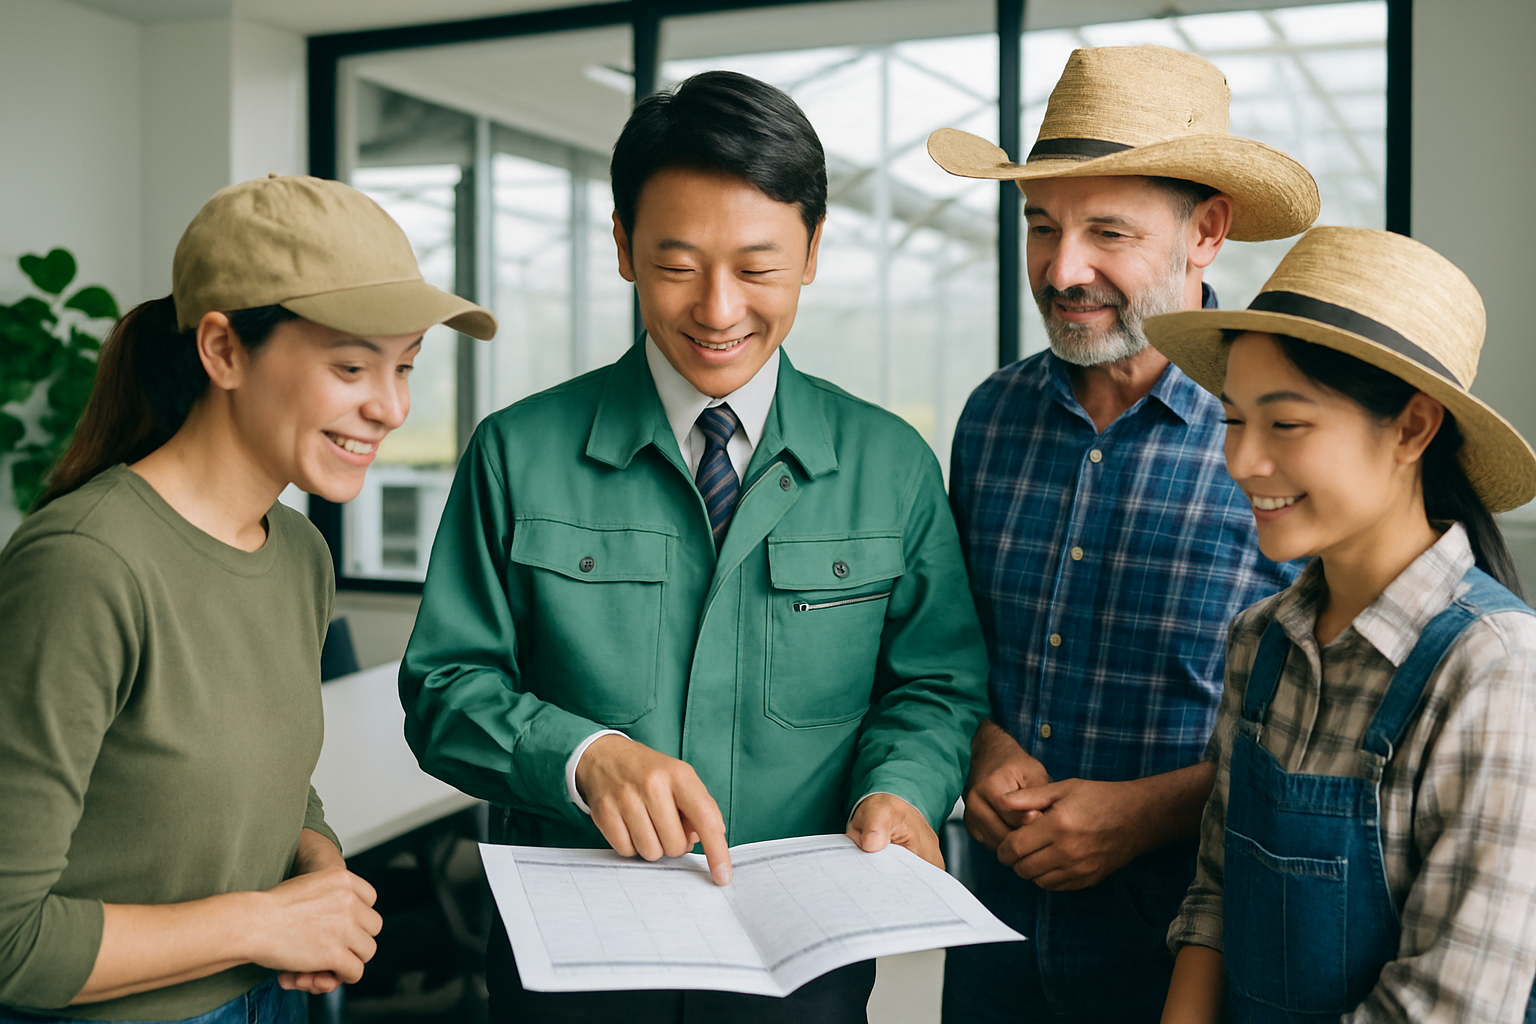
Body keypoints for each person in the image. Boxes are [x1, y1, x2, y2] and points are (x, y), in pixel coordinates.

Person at [399, 69, 990, 1022]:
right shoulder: (516, 453)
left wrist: (902, 789)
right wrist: (579, 754)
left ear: (812, 251)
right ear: (625, 249)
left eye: (757, 267)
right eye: (678, 266)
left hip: (803, 975)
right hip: (577, 976)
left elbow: (936, 685)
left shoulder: (892, 465)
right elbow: (443, 687)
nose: (718, 310)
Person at [0, 174, 496, 1022]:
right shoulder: (85, 567)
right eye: (351, 366)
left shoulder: (298, 551)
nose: (391, 406)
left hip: (273, 1001)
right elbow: (11, 943)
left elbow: (274, 785)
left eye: (405, 366)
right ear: (224, 351)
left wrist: (320, 868)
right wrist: (265, 923)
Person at [926, 45, 1316, 1022]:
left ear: (1207, 231)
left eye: (1108, 231)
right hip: (991, 926)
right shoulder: (990, 417)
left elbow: (1330, 719)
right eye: (1041, 226)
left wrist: (1147, 813)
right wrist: (979, 745)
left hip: (1193, 946)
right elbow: (944, 644)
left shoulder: (1291, 435)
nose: (1063, 270)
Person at [1153, 226, 1536, 1022]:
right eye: (1231, 420)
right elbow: (1216, 894)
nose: (1243, 461)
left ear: (1412, 428)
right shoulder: (1259, 641)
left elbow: (1451, 1005)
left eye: (1285, 425)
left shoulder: (1495, 669)